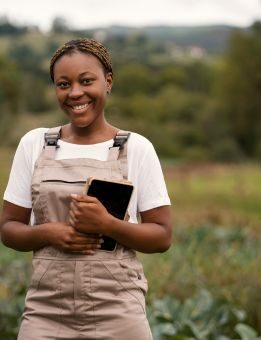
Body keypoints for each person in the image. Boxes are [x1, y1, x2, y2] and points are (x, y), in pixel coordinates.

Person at [0, 38, 172, 339]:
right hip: (45, 313)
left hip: (119, 313)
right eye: (63, 84)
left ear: (108, 82)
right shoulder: (35, 144)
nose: (75, 93)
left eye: (86, 81)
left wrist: (107, 224)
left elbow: (161, 237)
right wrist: (47, 232)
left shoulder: (137, 149)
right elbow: (8, 229)